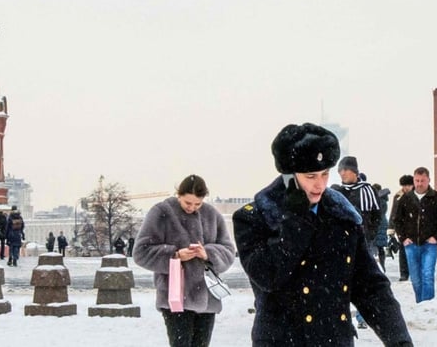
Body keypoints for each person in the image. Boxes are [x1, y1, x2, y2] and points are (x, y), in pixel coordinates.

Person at [233, 123, 413, 346]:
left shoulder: (343, 216)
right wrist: (295, 221)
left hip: (333, 338)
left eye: (325, 174)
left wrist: (399, 340)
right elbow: (268, 277)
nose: (320, 184)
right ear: (290, 175)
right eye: (310, 176)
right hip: (282, 340)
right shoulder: (255, 218)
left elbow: (370, 287)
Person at [134, 174, 236, 347]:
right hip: (175, 296)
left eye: (198, 204)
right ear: (178, 194)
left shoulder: (213, 215)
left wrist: (208, 254)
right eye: (187, 202)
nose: (192, 208)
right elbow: (140, 252)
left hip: (207, 299)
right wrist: (174, 255)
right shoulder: (161, 213)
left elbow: (229, 252)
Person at [332, 156, 381, 330]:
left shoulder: (367, 190)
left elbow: (376, 215)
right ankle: (341, 316)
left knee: (363, 281)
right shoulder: (335, 191)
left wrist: (369, 235)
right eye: (340, 170)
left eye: (346, 169)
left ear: (355, 171)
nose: (343, 173)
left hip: (363, 242)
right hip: (340, 243)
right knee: (339, 281)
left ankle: (362, 317)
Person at [391, 166, 437, 304]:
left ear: (428, 180)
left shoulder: (436, 198)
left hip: (429, 244)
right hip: (411, 244)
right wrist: (403, 238)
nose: (419, 183)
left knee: (427, 274)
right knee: (416, 278)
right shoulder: (406, 199)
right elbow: (397, 220)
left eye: (422, 180)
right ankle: (420, 303)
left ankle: (427, 305)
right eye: (417, 180)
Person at [389, 174, 414, 281]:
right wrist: (391, 230)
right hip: (402, 228)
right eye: (404, 185)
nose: (406, 187)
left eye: (408, 185)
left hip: (415, 228)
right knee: (403, 252)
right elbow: (393, 213)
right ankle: (404, 274)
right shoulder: (398, 197)